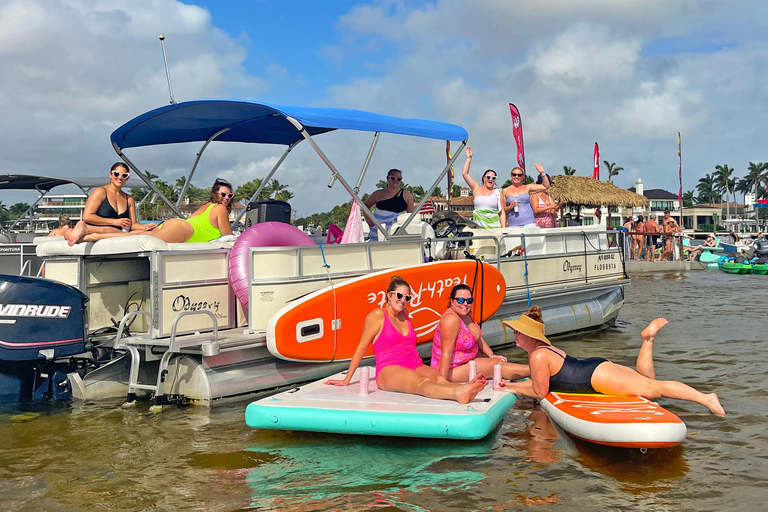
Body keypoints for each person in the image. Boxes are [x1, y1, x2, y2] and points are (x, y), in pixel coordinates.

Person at [501, 306, 725, 416]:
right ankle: (648, 340)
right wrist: (510, 386)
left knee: (655, 389)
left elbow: (540, 391)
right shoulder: (544, 350)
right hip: (595, 369)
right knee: (646, 380)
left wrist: (512, 388)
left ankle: (706, 398)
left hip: (596, 377)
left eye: (518, 332)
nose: (515, 335)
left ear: (530, 335)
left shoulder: (538, 355)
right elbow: (539, 384)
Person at [326, 276, 487, 403]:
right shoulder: (377, 316)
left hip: (414, 362)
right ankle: (459, 393)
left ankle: (466, 387)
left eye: (407, 298)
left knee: (438, 378)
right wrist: (346, 379)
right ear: (389, 295)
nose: (403, 300)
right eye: (399, 295)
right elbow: (361, 348)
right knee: (421, 383)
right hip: (389, 368)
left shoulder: (405, 315)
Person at [66, 178, 234, 245]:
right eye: (223, 194)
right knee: (137, 237)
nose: (227, 198)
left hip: (177, 226)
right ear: (215, 194)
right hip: (184, 231)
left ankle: (87, 234)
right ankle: (87, 230)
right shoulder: (219, 208)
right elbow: (227, 237)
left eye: (230, 195)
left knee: (131, 235)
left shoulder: (206, 206)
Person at [431, 284, 530, 382]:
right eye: (460, 300)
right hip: (450, 370)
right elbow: (446, 353)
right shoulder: (450, 320)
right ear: (452, 301)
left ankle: (533, 371)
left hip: (466, 362)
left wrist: (491, 355)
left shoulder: (465, 315)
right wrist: (442, 382)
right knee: (496, 365)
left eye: (469, 301)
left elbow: (478, 337)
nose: (465, 304)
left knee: (497, 360)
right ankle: (535, 370)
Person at [81, 163, 155, 235]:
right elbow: (87, 217)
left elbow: (133, 225)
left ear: (127, 178)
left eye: (124, 175)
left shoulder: (129, 199)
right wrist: (113, 222)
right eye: (116, 174)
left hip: (119, 236)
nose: (120, 177)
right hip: (100, 235)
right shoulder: (100, 192)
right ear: (110, 175)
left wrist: (146, 226)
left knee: (151, 233)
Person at [364, 169, 415, 241]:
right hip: (378, 231)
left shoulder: (406, 195)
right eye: (393, 178)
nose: (396, 181)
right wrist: (370, 223)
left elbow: (411, 215)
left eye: (399, 179)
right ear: (388, 178)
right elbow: (365, 206)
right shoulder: (378, 194)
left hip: (396, 231)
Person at [460, 147, 505, 228]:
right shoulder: (476, 188)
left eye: (493, 178)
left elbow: (502, 213)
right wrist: (469, 159)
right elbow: (465, 174)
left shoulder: (498, 193)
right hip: (478, 228)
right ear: (484, 178)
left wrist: (504, 230)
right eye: (488, 177)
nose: (491, 179)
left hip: (494, 228)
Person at [502, 164, 551, 228]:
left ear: (522, 177)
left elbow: (546, 186)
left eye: (519, 175)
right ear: (511, 176)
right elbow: (503, 210)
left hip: (529, 223)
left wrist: (542, 173)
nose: (516, 177)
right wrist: (510, 207)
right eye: (514, 174)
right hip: (513, 224)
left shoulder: (527, 187)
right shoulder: (505, 191)